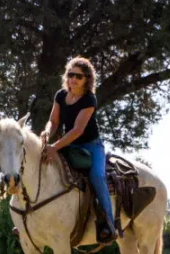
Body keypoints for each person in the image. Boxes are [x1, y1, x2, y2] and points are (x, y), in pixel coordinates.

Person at [41, 56, 116, 243]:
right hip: (69, 144)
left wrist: (54, 147)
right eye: (70, 74)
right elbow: (54, 120)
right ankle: (34, 217)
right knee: (44, 165)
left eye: (78, 76)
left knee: (97, 177)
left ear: (87, 79)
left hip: (91, 146)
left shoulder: (89, 99)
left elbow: (77, 130)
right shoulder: (60, 95)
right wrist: (47, 132)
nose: (73, 79)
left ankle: (109, 223)